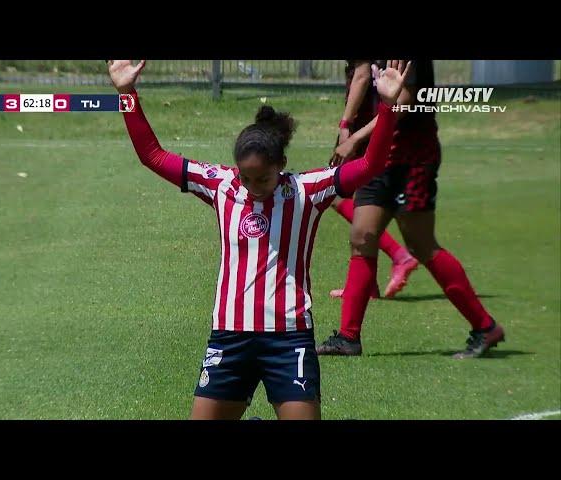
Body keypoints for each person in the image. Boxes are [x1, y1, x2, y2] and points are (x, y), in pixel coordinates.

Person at [106, 59, 411, 419]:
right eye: (246, 179)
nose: (253, 188)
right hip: (229, 338)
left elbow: (371, 166)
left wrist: (388, 106)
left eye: (263, 180)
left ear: (280, 164)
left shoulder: (307, 190)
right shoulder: (220, 184)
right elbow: (152, 155)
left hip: (289, 340)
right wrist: (127, 93)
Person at [317, 60, 505, 359]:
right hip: (381, 156)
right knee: (362, 236)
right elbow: (363, 74)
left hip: (412, 157)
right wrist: (346, 126)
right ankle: (348, 337)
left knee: (421, 244)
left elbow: (404, 101)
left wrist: (354, 137)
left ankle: (485, 326)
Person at [329, 59, 419, 300]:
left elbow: (361, 76)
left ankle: (399, 256)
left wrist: (346, 125)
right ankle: (368, 284)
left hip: (366, 124)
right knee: (351, 198)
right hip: (372, 120)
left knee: (336, 193)